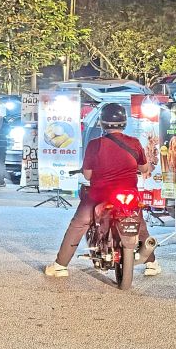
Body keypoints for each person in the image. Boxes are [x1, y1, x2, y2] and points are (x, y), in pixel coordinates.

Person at [46, 103, 158, 278]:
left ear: (102, 123)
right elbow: (144, 169)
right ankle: (152, 264)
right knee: (139, 224)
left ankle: (60, 265)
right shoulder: (134, 143)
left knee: (79, 223)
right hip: (129, 195)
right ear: (124, 123)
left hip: (100, 194)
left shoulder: (94, 144)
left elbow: (89, 175)